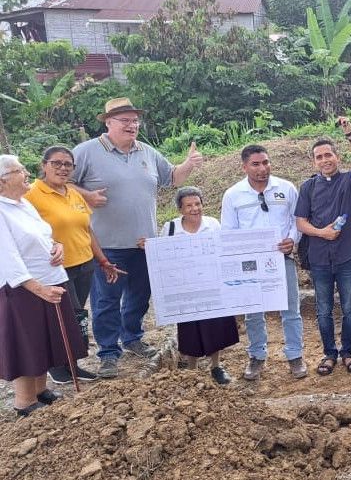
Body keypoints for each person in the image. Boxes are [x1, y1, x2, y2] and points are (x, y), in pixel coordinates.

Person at [71, 98, 203, 378]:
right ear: (108, 122)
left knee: (140, 296)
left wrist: (189, 164)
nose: (132, 126)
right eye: (125, 120)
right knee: (106, 300)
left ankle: (132, 337)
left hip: (145, 244)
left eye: (135, 121)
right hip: (105, 244)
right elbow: (62, 183)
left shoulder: (147, 152)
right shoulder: (86, 152)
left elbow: (173, 179)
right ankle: (108, 352)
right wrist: (87, 196)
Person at [25, 146, 123, 384]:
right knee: (67, 318)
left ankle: (71, 364)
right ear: (44, 165)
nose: (62, 168)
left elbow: (87, 229)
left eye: (68, 164)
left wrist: (102, 260)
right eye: (56, 163)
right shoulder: (31, 196)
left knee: (76, 316)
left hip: (84, 264)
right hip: (55, 269)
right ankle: (58, 367)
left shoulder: (74, 193)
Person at [0, 155, 87, 417]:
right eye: (20, 170)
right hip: (24, 290)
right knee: (28, 343)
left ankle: (40, 390)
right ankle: (24, 402)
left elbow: (44, 235)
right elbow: (7, 258)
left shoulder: (23, 204)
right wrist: (39, 289)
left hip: (48, 281)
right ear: (3, 181)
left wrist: (57, 246)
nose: (26, 173)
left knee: (43, 340)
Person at [222, 144, 307, 381]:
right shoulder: (233, 195)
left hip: (282, 258)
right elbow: (229, 231)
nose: (262, 169)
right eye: (256, 164)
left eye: (266, 162)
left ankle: (295, 355)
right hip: (249, 263)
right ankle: (257, 356)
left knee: (291, 309)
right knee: (253, 312)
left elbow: (296, 220)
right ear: (244, 167)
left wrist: (292, 239)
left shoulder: (286, 188)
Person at [295, 117, 351, 376]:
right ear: (314, 162)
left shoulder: (348, 182)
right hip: (319, 258)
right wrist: (321, 233)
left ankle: (347, 351)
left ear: (337, 157)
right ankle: (329, 353)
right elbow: (300, 222)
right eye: (319, 157)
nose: (325, 160)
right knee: (323, 309)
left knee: (349, 306)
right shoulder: (307, 187)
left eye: (329, 155)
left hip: (347, 255)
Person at [162, 187, 238, 385]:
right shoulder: (170, 228)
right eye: (189, 205)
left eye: (197, 204)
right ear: (180, 209)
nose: (194, 209)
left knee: (215, 326)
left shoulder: (213, 224)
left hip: (212, 285)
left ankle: (216, 366)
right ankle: (192, 369)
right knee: (189, 328)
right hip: (185, 289)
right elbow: (161, 257)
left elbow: (225, 250)